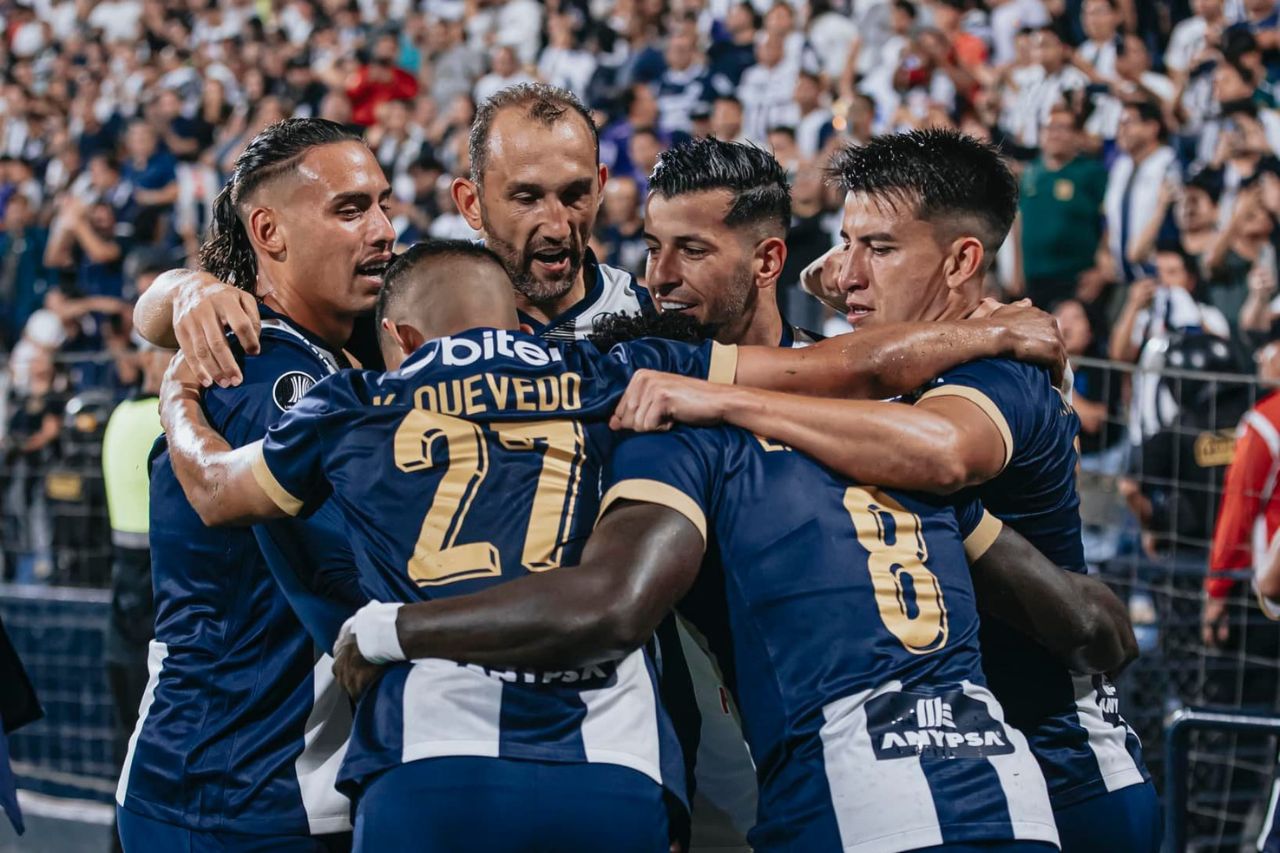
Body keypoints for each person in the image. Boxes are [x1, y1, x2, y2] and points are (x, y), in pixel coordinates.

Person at [156, 238, 1121, 853]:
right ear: (519, 320)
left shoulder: (351, 399)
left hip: (432, 759)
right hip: (615, 769)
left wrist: (175, 394)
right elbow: (852, 363)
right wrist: (983, 337)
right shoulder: (613, 371)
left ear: (400, 335)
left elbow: (216, 488)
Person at [670, 129, 1161, 852]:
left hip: (1064, 777)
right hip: (972, 765)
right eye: (847, 244)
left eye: (881, 248)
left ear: (962, 261)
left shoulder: (996, 372)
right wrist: (850, 264)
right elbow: (846, 297)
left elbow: (942, 451)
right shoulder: (930, 346)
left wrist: (726, 399)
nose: (851, 274)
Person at [115, 118, 387, 852]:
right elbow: (350, 581)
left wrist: (182, 288)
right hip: (234, 793)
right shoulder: (263, 367)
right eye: (350, 209)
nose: (384, 229)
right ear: (269, 230)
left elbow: (153, 308)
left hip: (256, 782)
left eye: (383, 203)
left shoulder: (336, 352)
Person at [101, 340, 170, 853]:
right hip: (152, 612)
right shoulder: (164, 425)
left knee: (129, 756)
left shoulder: (118, 417)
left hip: (123, 616)